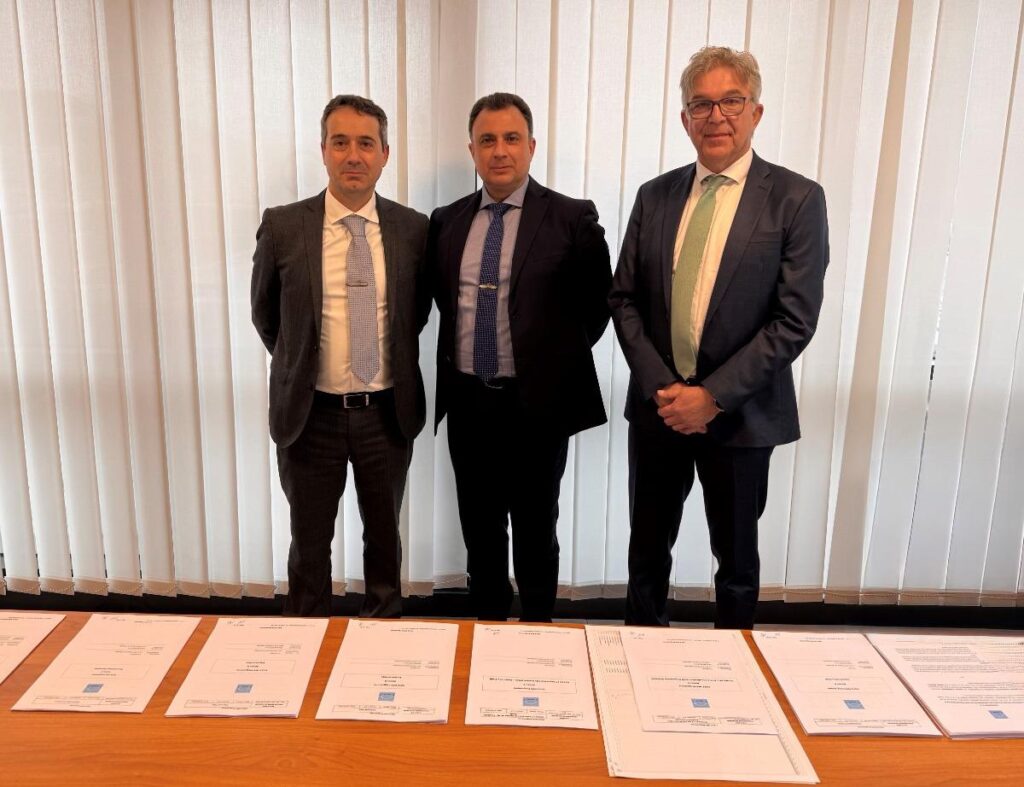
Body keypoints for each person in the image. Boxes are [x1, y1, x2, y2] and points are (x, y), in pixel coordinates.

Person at [610, 47, 829, 629]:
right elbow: (624, 299)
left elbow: (794, 318)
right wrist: (665, 390)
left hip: (741, 416)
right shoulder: (654, 196)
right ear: (685, 118)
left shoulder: (796, 199)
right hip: (658, 410)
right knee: (645, 557)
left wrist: (712, 396)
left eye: (731, 101)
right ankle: (638, 658)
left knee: (735, 566)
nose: (716, 116)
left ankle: (736, 670)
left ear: (755, 112)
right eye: (701, 104)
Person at [429, 92, 612, 622]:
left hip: (537, 405)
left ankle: (536, 633)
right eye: (487, 140)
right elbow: (443, 301)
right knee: (480, 530)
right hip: (469, 403)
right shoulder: (446, 221)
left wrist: (546, 361)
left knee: (536, 529)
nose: (499, 150)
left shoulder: (572, 217)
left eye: (511, 138)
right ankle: (488, 629)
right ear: (472, 149)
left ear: (531, 146)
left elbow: (597, 306)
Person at [251, 95, 430, 618]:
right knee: (309, 548)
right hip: (311, 417)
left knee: (384, 544)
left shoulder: (413, 229)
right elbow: (267, 316)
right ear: (324, 150)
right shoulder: (284, 226)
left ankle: (381, 643)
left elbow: (413, 316)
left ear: (385, 154)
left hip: (385, 416)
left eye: (366, 143)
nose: (354, 155)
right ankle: (306, 644)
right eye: (341, 142)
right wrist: (302, 367)